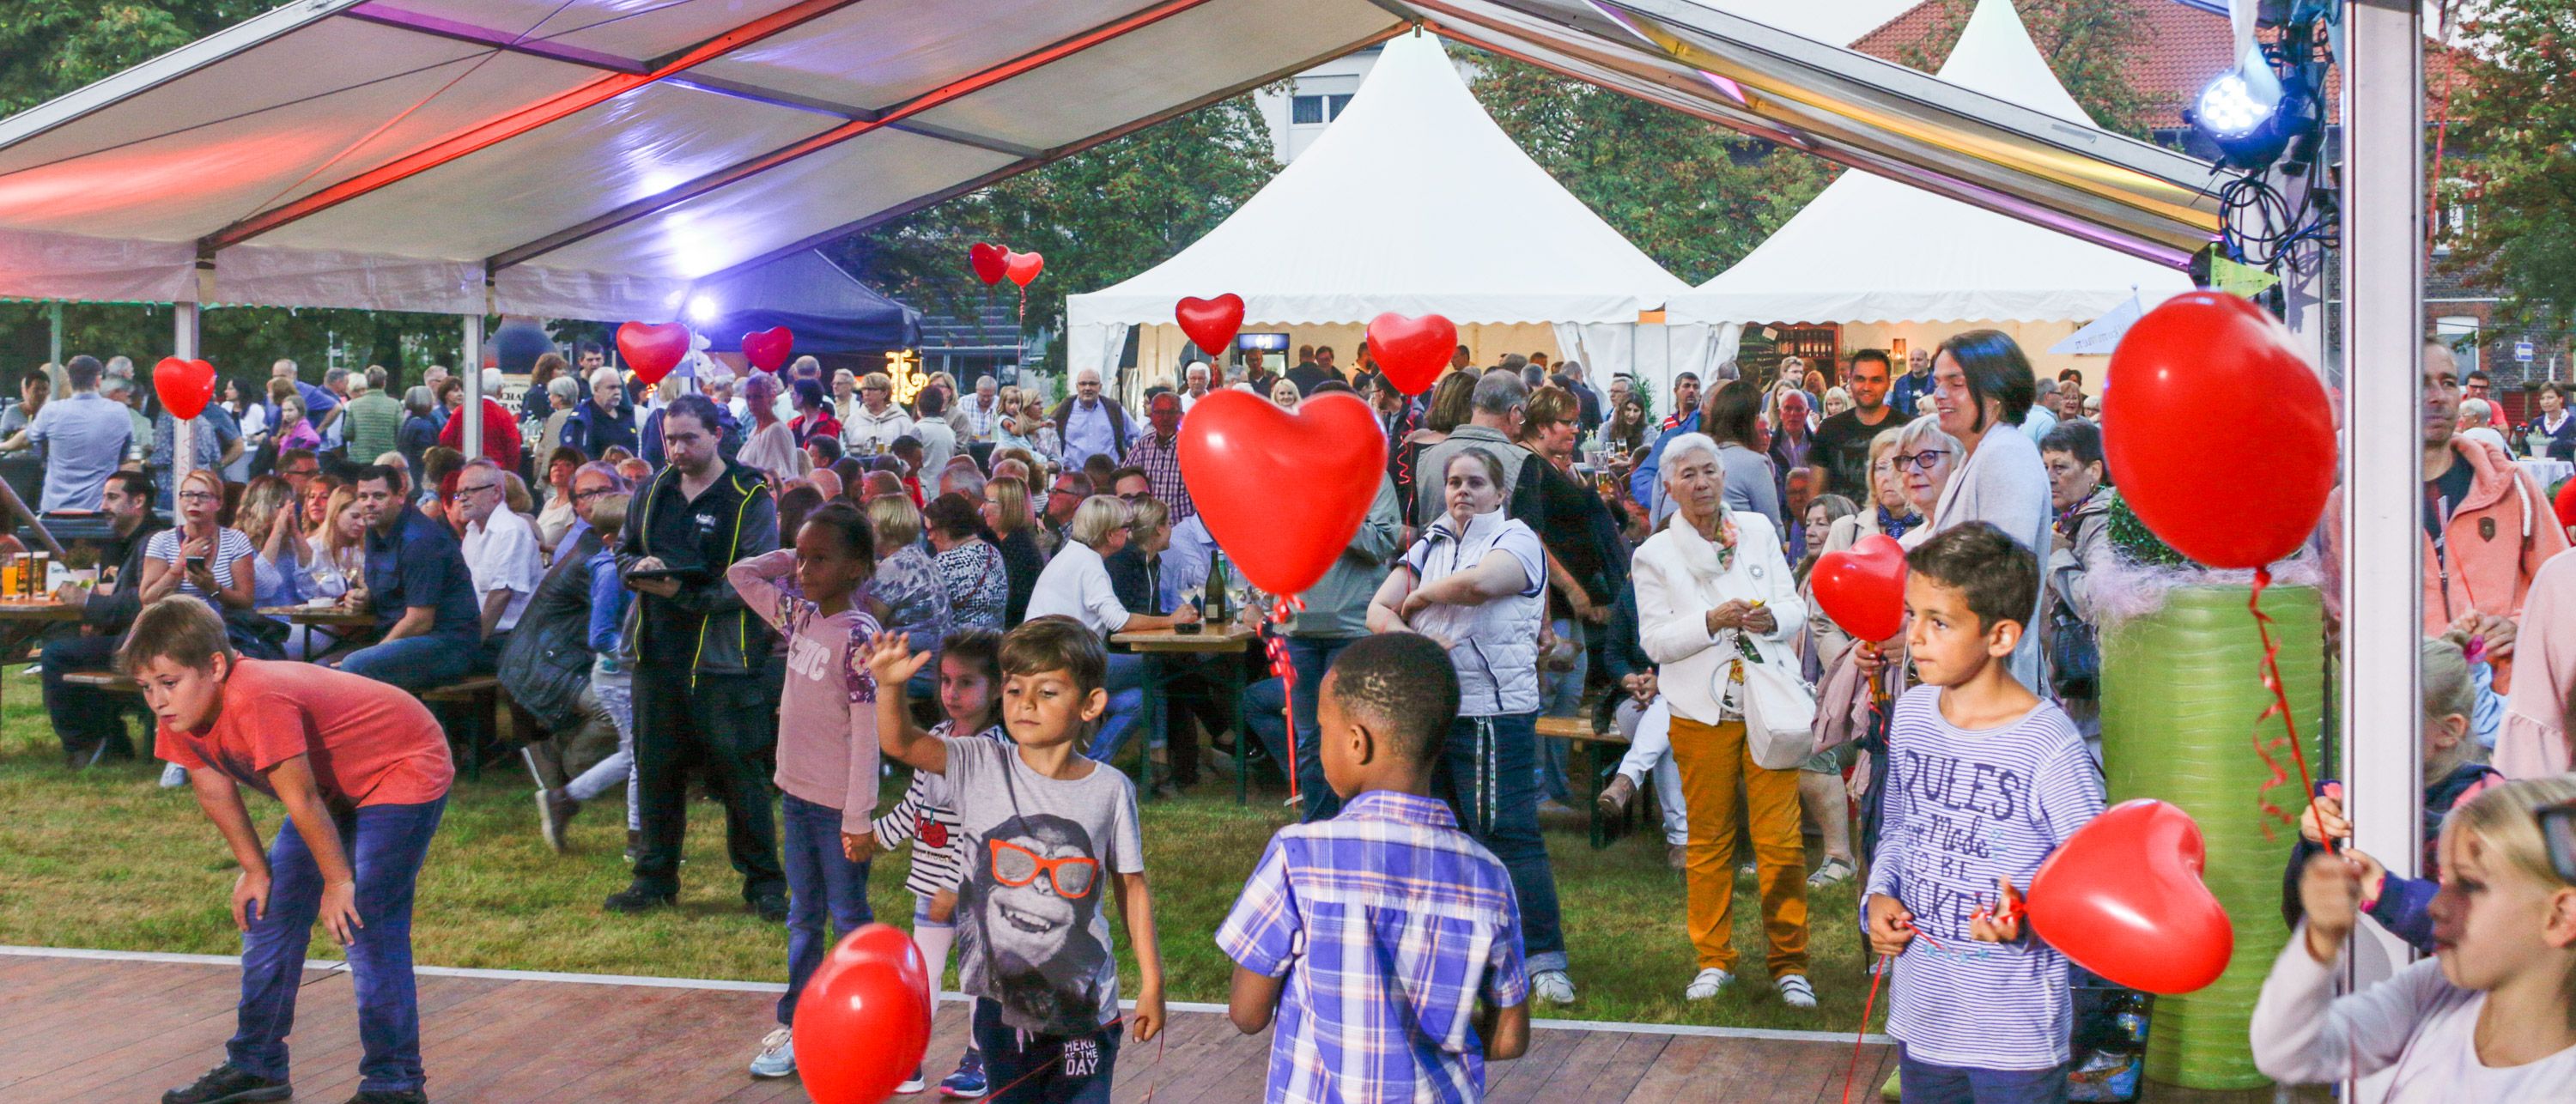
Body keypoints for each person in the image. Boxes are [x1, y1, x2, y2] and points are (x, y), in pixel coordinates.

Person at [138, 597, 452, 1104]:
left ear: (215, 666)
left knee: (364, 918)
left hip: (402, 762)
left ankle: (395, 1083)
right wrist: (254, 869)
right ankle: (256, 1064)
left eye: (168, 683)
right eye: (146, 687)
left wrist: (338, 881)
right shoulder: (180, 709)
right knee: (270, 912)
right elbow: (211, 785)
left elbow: (301, 797)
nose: (157, 699)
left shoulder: (257, 695)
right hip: (332, 785)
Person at [1218, 632, 1534, 1100]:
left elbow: (1248, 1013)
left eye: (1322, 729)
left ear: (1355, 743)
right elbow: (1510, 1038)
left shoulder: (1299, 856)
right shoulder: (1487, 877)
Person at [866, 617, 1167, 1103]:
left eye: (1047, 692)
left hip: (1085, 1014)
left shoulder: (1110, 790)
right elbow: (901, 742)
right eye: (1014, 689)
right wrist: (889, 689)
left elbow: (1132, 885)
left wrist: (1151, 982)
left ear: (1090, 704)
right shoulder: (977, 762)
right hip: (1000, 1010)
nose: (1025, 704)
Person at [1863, 523, 2105, 1099]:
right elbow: (1898, 830)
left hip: (2014, 1039)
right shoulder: (1915, 715)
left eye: (1939, 622)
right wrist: (1876, 896)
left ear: (2000, 637)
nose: (1915, 637)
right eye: (1911, 614)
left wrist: (2028, 919)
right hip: (1924, 1019)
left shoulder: (2048, 747)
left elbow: (2096, 886)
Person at [1367, 450, 1574, 1004]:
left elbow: (1483, 584)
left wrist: (1422, 596)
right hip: (1437, 709)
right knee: (1448, 834)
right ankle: (1465, 953)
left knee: (1507, 833)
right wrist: (1416, 638)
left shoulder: (1517, 539)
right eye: (1454, 482)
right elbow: (1376, 611)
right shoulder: (1430, 542)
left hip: (1493, 710)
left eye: (1475, 483)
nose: (1462, 491)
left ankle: (1544, 960)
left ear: (1498, 493)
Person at [1628, 432, 1815, 1006]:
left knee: (1780, 841)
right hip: (1698, 709)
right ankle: (1713, 959)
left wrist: (1769, 621)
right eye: (1688, 475)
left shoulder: (1757, 529)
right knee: (1708, 840)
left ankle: (1790, 965)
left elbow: (1794, 605)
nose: (1702, 483)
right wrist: (1711, 621)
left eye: (1709, 471)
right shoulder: (1653, 554)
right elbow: (1654, 640)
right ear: (1668, 486)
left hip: (1768, 704)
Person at [2252, 775, 2576, 1098]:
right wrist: (2320, 940)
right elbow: (2285, 1052)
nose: (2436, 904)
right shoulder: (2433, 991)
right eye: (2444, 879)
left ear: (2561, 917)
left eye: (2470, 884)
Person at [607, 395, 785, 918]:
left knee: (739, 774)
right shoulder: (654, 488)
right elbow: (620, 549)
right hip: (656, 652)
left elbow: (754, 575)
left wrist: (679, 593)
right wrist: (638, 568)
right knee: (656, 767)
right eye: (671, 438)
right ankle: (654, 878)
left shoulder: (748, 494)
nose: (678, 449)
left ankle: (764, 884)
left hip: (723, 659)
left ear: (717, 435)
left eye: (689, 438)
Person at [726, 502, 885, 1083]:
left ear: (856, 568)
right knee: (803, 914)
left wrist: (859, 815)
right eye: (801, 556)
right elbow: (741, 575)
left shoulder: (858, 637)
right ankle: (797, 1023)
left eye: (821, 558)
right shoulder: (798, 616)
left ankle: (863, 1022)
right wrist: (791, 555)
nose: (804, 569)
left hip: (837, 808)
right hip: (795, 796)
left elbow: (868, 734)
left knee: (847, 917)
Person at [2324, 340, 2569, 692]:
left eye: (2448, 382)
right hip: (2413, 712)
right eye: (2421, 383)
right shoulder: (2351, 507)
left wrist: (2522, 627)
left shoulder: (2511, 487)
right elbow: (2341, 624)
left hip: (2512, 705)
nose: (2437, 396)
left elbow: (2564, 589)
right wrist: (2425, 661)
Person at [2282, 635, 2505, 956]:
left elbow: (2485, 932)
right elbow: (2301, 922)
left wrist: (2387, 894)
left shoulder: (2484, 809)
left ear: (2449, 730)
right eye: (2356, 716)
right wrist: (2315, 845)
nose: (2363, 733)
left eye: (2386, 718)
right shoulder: (2347, 797)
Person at [863, 628, 1007, 1097]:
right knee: (920, 973)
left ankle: (981, 1055)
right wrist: (875, 837)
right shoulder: (939, 737)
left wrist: (952, 886)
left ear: (999, 687)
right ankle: (911, 1055)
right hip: (930, 889)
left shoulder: (992, 751)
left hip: (971, 892)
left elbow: (981, 832)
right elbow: (915, 806)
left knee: (978, 979)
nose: (952, 694)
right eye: (946, 681)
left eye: (966, 683)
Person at [1241, 472, 1401, 822]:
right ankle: (1316, 826)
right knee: (1310, 738)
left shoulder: (1371, 477)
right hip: (1296, 629)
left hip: (1353, 628)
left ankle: (1356, 822)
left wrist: (1331, 514)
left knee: (1353, 735)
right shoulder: (1286, 474)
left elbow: (1383, 543)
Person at [1916, 331, 2057, 692]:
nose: (1939, 394)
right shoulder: (1977, 455)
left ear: (1995, 393)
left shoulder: (2006, 454)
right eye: (1937, 383)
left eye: (1956, 383)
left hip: (1989, 689)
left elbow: (2000, 584)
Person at [1030, 495, 1200, 769]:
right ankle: (1159, 761)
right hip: (1067, 665)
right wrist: (1171, 621)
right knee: (1158, 664)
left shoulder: (1073, 556)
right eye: (1126, 526)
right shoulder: (1090, 565)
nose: (1130, 532)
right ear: (1110, 534)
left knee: (1138, 700)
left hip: (1050, 660)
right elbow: (1119, 621)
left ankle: (1092, 766)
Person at [538, 491, 640, 858]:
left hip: (624, 673)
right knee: (639, 756)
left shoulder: (620, 568)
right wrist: (632, 654)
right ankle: (637, 840)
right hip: (618, 676)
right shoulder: (611, 573)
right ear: (612, 540)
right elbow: (600, 635)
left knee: (634, 754)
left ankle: (564, 800)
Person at [42, 470, 166, 766]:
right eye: (103, 497)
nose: (103, 505)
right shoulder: (129, 540)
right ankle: (112, 739)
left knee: (57, 654)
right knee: (68, 640)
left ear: (138, 501)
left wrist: (87, 602)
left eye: (112, 497)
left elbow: (142, 602)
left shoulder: (151, 541)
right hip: (130, 635)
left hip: (148, 642)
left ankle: (84, 743)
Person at [338, 465, 483, 690]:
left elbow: (420, 620)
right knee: (324, 670)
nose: (369, 503)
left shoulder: (419, 540)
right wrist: (366, 598)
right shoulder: (376, 530)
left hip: (447, 646)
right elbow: (394, 590)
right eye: (363, 496)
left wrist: (376, 651)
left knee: (355, 666)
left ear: (400, 496)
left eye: (379, 496)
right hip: (409, 638)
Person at [2039, 421, 2116, 745]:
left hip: (2090, 706)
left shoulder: (2101, 521)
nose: (2050, 477)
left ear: (2094, 471)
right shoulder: (2070, 516)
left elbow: (2097, 600)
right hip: (2067, 693)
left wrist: (2056, 558)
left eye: (2061, 467)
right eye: (2044, 467)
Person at [1414, 372, 1547, 533]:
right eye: (1522, 419)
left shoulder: (1427, 456)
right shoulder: (1521, 460)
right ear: (1515, 413)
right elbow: (1530, 536)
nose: (1522, 426)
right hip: (1496, 557)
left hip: (1436, 555)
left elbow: (1412, 529)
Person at [455, 458, 542, 666]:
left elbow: (502, 594)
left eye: (470, 492)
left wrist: (471, 645)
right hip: (478, 634)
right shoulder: (472, 532)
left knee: (424, 662)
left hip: (508, 641)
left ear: (496, 493)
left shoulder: (511, 529)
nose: (462, 499)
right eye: (459, 493)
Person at [17, 355, 131, 512]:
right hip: (99, 511)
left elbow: (25, 439)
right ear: (98, 380)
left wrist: (2, 446)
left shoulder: (51, 411)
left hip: (55, 511)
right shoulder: (119, 412)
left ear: (70, 381)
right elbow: (124, 456)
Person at [866, 494, 956, 690]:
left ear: (884, 526)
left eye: (869, 522)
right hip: (936, 664)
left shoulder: (894, 566)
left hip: (916, 670)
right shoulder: (916, 554)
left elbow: (868, 625)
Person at [1811, 349, 1899, 501]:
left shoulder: (1906, 429)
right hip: (1840, 521)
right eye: (1860, 379)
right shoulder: (1829, 429)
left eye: (1876, 380)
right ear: (1850, 382)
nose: (1867, 387)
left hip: (1895, 523)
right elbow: (1815, 494)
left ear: (1887, 383)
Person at [920, 491, 1008, 632]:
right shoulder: (993, 552)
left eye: (930, 530)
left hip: (961, 649)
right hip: (995, 645)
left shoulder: (944, 563)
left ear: (945, 528)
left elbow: (925, 616)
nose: (929, 538)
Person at [1120, 391, 1193, 522]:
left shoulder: (1192, 446)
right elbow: (1124, 477)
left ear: (1182, 416)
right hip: (1148, 526)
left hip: (1182, 526)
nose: (1165, 418)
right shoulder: (1144, 444)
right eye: (1159, 413)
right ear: (1151, 416)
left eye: (1171, 413)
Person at [983, 475, 1046, 625]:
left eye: (988, 501)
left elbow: (1013, 603)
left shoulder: (1017, 549)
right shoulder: (1010, 543)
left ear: (1008, 507)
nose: (982, 507)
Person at [435, 371, 526, 472]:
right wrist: (509, 473)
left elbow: (445, 440)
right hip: (495, 473)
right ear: (499, 390)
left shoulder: (460, 412)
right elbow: (513, 448)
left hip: (464, 472)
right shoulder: (504, 415)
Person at [1053, 367, 1134, 472]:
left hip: (1108, 479)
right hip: (1074, 480)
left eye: (1092, 384)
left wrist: (1128, 464)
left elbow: (1137, 438)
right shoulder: (1065, 409)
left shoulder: (1114, 409)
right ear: (1077, 387)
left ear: (1100, 387)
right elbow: (1049, 439)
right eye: (1083, 384)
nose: (1087, 388)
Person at [563, 367, 639, 459]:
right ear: (596, 389)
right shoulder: (582, 417)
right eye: (611, 387)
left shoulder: (626, 413)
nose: (617, 392)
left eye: (619, 387)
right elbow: (573, 455)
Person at [342, 369, 404, 464]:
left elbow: (347, 433)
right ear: (384, 383)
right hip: (387, 458)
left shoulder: (355, 404)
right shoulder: (395, 404)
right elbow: (401, 432)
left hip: (360, 458)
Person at [843, 372, 913, 454]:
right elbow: (846, 448)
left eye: (872, 389)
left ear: (884, 393)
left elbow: (910, 450)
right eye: (864, 389)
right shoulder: (853, 420)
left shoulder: (901, 420)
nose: (867, 393)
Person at [2517, 381, 2574, 460]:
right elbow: (2525, 451)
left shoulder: (2573, 424)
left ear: (2560, 399)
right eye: (2542, 399)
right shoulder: (2535, 424)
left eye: (2550, 398)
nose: (2546, 402)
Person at [913, 385, 959, 472]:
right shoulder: (950, 432)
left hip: (923, 483)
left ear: (918, 406)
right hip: (943, 483)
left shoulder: (917, 430)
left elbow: (909, 462)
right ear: (941, 407)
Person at [788, 377, 842, 452]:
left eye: (793, 393)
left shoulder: (828, 425)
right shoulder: (794, 425)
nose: (791, 397)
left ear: (801, 397)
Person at [1889, 344, 1936, 417]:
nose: (1915, 363)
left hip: (1929, 425)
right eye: (1912, 359)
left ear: (1927, 361)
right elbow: (1894, 410)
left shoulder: (1936, 382)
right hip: (1906, 425)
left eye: (1919, 359)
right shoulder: (1900, 383)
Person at [962, 374, 1007, 442]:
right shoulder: (964, 402)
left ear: (995, 392)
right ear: (976, 390)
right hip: (967, 445)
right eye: (983, 396)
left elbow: (997, 435)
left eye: (990, 396)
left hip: (993, 447)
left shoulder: (1001, 404)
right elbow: (958, 429)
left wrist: (977, 438)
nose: (986, 399)